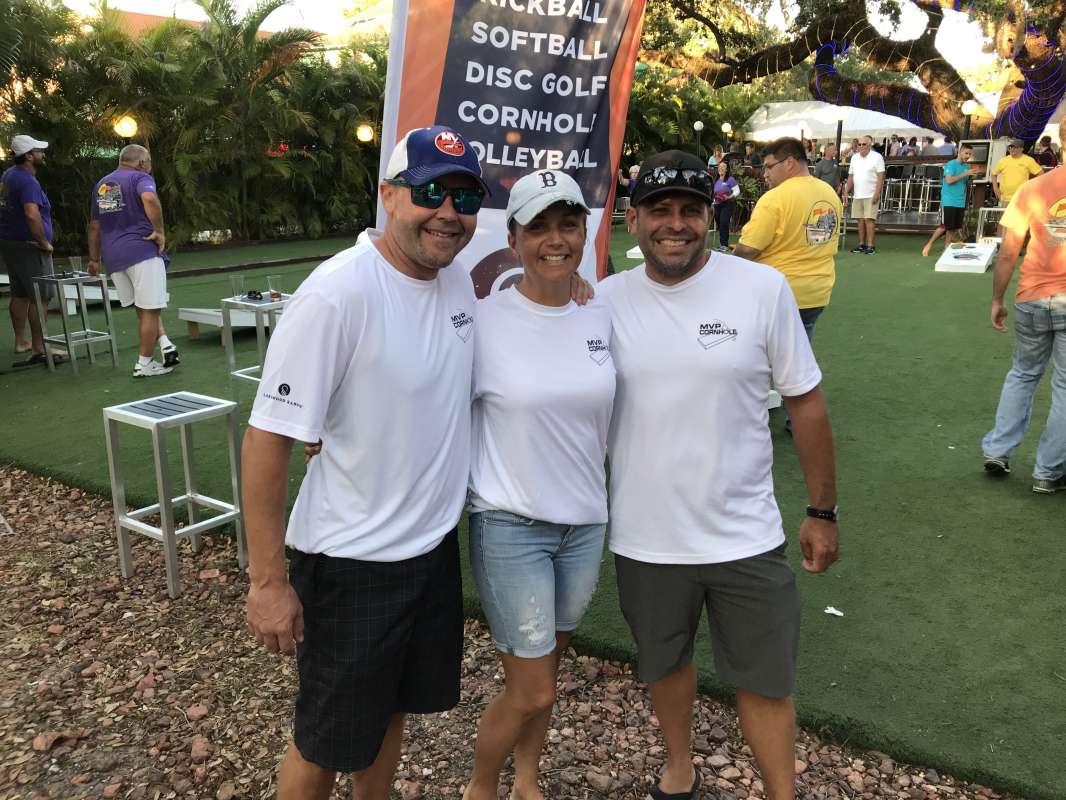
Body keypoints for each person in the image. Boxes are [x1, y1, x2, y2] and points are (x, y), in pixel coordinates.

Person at [242, 125, 487, 800]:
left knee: (390, 713)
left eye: (465, 197)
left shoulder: (456, 283)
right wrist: (268, 582)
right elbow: (268, 437)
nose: (448, 212)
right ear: (389, 195)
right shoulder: (338, 292)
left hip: (430, 552)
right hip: (351, 561)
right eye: (431, 192)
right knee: (324, 742)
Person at [601, 149, 840, 800]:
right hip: (646, 537)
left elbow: (806, 402)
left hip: (745, 535)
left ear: (712, 216)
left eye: (690, 209)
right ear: (632, 220)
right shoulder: (602, 302)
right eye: (659, 210)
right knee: (665, 663)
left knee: (766, 679)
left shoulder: (761, 289)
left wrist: (822, 511)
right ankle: (679, 767)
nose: (674, 224)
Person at [462, 170, 614, 800]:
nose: (556, 240)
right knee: (533, 688)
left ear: (585, 233)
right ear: (514, 239)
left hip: (585, 525)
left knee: (545, 673)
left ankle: (526, 780)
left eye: (568, 225)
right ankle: (479, 788)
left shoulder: (600, 312)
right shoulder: (481, 321)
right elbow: (418, 389)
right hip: (510, 525)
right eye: (539, 227)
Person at [981, 118, 1066, 494]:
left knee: (1023, 374)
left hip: (1032, 297)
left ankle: (998, 450)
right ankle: (1048, 471)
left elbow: (1008, 252)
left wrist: (997, 299)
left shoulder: (1034, 188)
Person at [87, 144, 179, 377]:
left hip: (114, 257)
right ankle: (144, 364)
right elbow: (149, 198)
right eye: (149, 162)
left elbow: (95, 226)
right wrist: (159, 231)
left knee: (143, 306)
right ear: (141, 163)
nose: (150, 166)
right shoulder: (140, 177)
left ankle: (165, 343)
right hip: (141, 250)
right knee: (150, 308)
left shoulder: (104, 184)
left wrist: (94, 259)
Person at [0, 134, 60, 368]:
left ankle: (21, 341)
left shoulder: (8, 175)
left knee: (20, 293)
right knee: (40, 295)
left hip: (10, 242)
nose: (42, 154)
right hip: (29, 245)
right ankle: (39, 347)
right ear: (28, 156)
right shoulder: (27, 181)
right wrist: (43, 242)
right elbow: (31, 214)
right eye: (38, 151)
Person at [921, 144, 983, 257]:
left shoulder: (966, 166)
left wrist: (974, 176)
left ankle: (946, 249)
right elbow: (949, 180)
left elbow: (964, 181)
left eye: (970, 154)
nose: (968, 156)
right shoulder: (951, 164)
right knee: (944, 226)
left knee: (953, 228)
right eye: (966, 153)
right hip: (949, 200)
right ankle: (929, 244)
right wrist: (965, 174)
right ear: (959, 152)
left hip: (960, 201)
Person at [842, 136, 885, 254]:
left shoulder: (877, 157)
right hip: (857, 194)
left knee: (869, 220)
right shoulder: (854, 158)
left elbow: (881, 177)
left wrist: (877, 193)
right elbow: (851, 176)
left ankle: (871, 246)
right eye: (859, 144)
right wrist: (846, 191)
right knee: (860, 220)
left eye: (863, 144)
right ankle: (861, 244)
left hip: (871, 194)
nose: (861, 146)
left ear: (869, 145)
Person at [990, 139, 1041, 205]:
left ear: (1022, 149)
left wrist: (1033, 187)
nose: (1012, 149)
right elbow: (993, 174)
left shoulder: (1028, 160)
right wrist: (995, 188)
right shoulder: (1003, 160)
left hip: (1021, 199)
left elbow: (1040, 173)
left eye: (1015, 147)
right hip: (1004, 199)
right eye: (1011, 147)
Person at [711, 160, 739, 251]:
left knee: (723, 222)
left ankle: (724, 245)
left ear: (727, 169)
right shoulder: (716, 180)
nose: (721, 168)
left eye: (723, 167)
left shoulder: (730, 179)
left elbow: (737, 191)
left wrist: (729, 197)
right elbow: (713, 193)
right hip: (717, 204)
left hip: (727, 204)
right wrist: (713, 200)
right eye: (720, 167)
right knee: (720, 224)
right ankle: (722, 244)